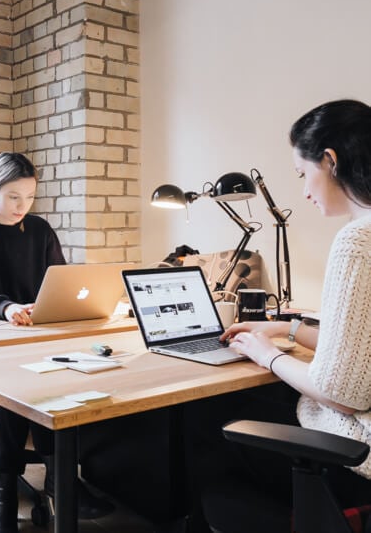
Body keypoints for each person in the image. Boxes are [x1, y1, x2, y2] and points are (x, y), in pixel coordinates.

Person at [174, 99, 371, 533]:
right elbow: (360, 351)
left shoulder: (357, 241)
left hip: (355, 466)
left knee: (205, 412)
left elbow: (344, 394)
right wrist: (288, 328)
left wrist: (268, 355)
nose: (303, 191)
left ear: (330, 160)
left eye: (304, 174)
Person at [0, 152, 113, 533]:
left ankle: (40, 481)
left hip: (37, 334)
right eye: (13, 197)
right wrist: (6, 308)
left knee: (54, 377)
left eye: (29, 197)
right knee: (22, 386)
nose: (22, 207)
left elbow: (61, 284)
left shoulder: (39, 230)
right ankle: (27, 488)